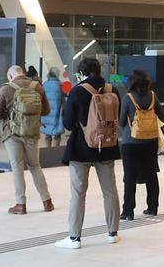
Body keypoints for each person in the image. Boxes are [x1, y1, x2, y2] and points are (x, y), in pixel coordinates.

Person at [54, 58, 121, 250]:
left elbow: (68, 123)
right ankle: (112, 233)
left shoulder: (77, 91)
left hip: (81, 149)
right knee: (110, 191)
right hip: (106, 146)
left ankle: (74, 238)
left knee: (78, 193)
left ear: (81, 73)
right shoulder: (112, 90)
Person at [0, 65, 53, 215]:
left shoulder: (6, 88)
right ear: (23, 73)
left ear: (10, 76)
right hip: (32, 132)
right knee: (35, 166)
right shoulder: (37, 86)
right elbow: (46, 110)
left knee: (17, 167)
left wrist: (11, 116)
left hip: (12, 134)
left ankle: (20, 204)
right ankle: (47, 202)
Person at [119, 69, 162, 221]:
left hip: (131, 143)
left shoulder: (128, 98)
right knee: (151, 174)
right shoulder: (153, 96)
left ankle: (128, 211)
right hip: (150, 141)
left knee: (130, 176)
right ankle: (152, 207)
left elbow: (121, 121)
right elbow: (161, 115)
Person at [41, 67, 66, 148]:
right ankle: (55, 150)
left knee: (47, 135)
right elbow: (65, 98)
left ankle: (48, 149)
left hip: (46, 112)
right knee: (57, 135)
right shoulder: (60, 85)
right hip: (57, 113)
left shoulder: (44, 84)